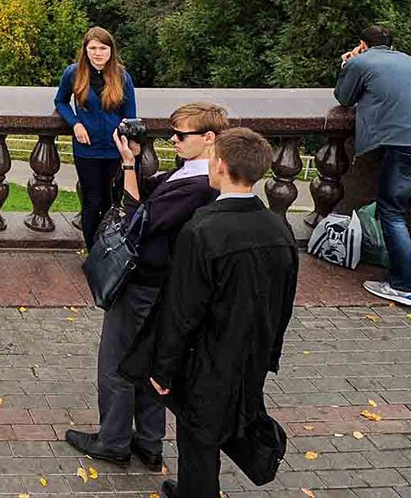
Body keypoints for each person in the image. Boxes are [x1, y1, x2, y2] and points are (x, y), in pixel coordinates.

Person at [119, 128, 299, 498]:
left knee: (198, 439)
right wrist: (270, 354)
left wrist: (163, 368)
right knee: (228, 418)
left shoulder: (202, 229)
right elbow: (285, 298)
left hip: (207, 357)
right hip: (252, 353)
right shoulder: (279, 227)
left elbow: (182, 310)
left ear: (219, 165)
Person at [66, 102, 228, 471]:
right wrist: (135, 160)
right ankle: (149, 442)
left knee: (118, 361)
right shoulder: (196, 172)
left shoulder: (199, 184)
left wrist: (126, 165)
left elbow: (140, 216)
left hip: (146, 281)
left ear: (208, 138)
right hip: (163, 282)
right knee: (150, 363)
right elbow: (148, 192)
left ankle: (113, 440)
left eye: (180, 135)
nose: (173, 140)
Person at [333, 24, 411, 308]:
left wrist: (346, 64)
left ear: (363, 44)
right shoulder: (410, 61)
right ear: (391, 44)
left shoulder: (360, 61)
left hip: (409, 146)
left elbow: (344, 97)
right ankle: (410, 275)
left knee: (391, 211)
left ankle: (405, 285)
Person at [55, 26, 138, 249]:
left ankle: (107, 250)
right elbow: (60, 101)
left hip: (114, 148)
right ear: (85, 50)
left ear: (111, 50)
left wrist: (127, 139)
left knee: (110, 201)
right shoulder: (73, 73)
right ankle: (93, 251)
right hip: (86, 147)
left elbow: (130, 114)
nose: (97, 52)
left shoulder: (122, 76)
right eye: (92, 48)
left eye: (103, 47)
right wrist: (75, 123)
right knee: (91, 201)